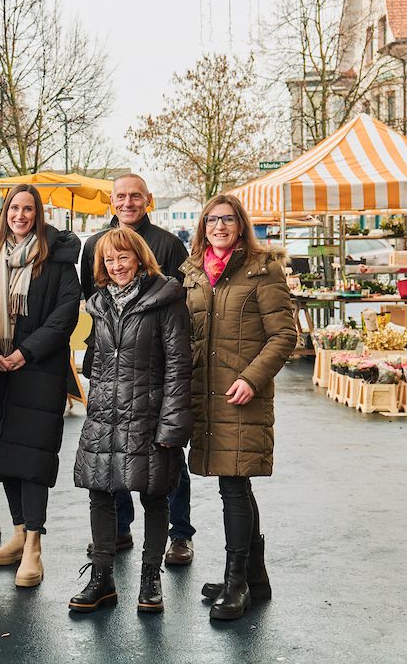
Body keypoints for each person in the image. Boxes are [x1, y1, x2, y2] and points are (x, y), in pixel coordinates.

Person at [182, 194, 296, 621]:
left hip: (240, 393)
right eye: (212, 220)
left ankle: (237, 583)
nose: (219, 226)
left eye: (227, 219)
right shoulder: (192, 272)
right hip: (202, 394)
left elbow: (284, 336)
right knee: (235, 484)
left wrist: (251, 378)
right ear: (203, 226)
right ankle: (254, 576)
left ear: (240, 224)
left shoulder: (262, 270)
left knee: (233, 483)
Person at [69, 227, 192, 614]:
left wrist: (171, 426)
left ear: (139, 257)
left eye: (123, 257)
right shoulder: (100, 303)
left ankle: (150, 578)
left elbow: (178, 366)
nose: (117, 265)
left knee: (155, 494)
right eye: (109, 259)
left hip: (150, 413)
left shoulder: (165, 300)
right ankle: (102, 578)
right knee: (100, 492)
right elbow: (101, 361)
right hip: (106, 413)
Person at [79, 173, 195, 567]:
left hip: (152, 369)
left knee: (163, 461)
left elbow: (180, 309)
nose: (127, 202)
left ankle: (180, 534)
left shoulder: (169, 244)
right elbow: (94, 296)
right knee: (115, 454)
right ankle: (121, 528)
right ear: (111, 201)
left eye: (135, 196)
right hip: (112, 364)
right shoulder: (95, 244)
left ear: (148, 200)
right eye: (120, 196)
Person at [0, 184, 81, 588]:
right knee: (6, 454)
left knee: (33, 459)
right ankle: (18, 532)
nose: (20, 215)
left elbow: (66, 313)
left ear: (38, 213)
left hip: (38, 369)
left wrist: (26, 352)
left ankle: (34, 545)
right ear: (5, 212)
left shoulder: (57, 258)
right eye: (14, 208)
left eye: (28, 208)